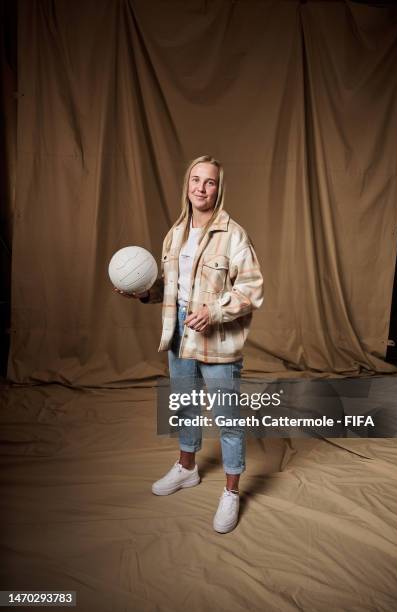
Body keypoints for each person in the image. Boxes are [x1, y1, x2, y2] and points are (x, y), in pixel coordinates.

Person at [115, 155, 263, 533]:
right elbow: (170, 289)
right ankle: (186, 468)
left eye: (209, 182)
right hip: (178, 332)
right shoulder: (174, 233)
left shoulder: (234, 235)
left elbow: (252, 290)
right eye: (195, 180)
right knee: (183, 407)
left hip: (217, 339)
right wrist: (143, 293)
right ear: (187, 185)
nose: (201, 187)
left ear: (219, 188)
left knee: (227, 418)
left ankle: (231, 492)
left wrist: (214, 311)